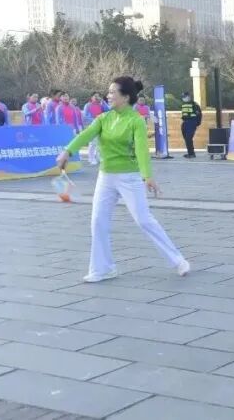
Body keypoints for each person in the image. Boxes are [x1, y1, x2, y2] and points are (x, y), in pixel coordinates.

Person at [56, 76, 190, 283]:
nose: (108, 96)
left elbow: (142, 150)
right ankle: (103, 269)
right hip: (106, 177)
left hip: (130, 177)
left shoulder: (135, 121)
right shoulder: (103, 118)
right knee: (98, 221)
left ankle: (178, 260)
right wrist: (67, 151)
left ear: (126, 97)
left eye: (112, 92)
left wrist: (147, 176)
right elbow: (85, 135)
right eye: (108, 92)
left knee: (143, 220)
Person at [83, 92, 110, 165]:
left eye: (98, 96)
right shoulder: (88, 105)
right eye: (95, 96)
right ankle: (91, 158)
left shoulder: (101, 105)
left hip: (101, 125)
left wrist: (103, 102)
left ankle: (98, 157)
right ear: (91, 97)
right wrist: (95, 119)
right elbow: (85, 117)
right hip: (91, 125)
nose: (97, 97)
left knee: (100, 142)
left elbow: (109, 110)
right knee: (92, 143)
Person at [179, 92, 202, 158]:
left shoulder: (194, 104)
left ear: (189, 96)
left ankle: (191, 154)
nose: (183, 98)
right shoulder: (183, 104)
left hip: (191, 122)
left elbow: (199, 114)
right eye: (183, 97)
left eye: (185, 97)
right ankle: (190, 153)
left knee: (188, 138)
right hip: (185, 122)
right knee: (186, 138)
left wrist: (197, 123)